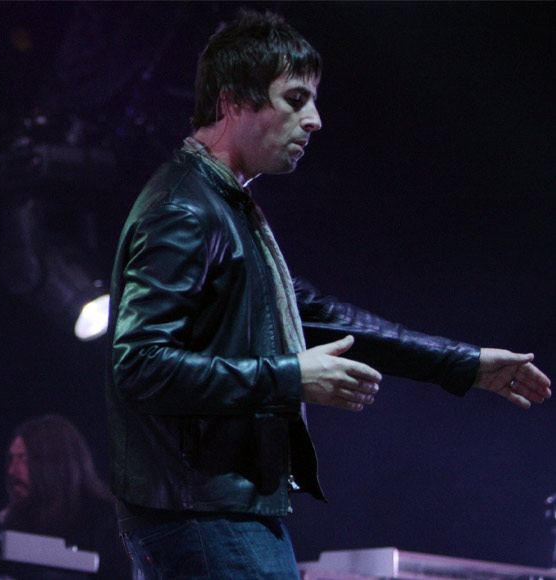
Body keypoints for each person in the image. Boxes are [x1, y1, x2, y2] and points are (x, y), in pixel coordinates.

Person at [105, 10, 551, 580]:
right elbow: (139, 365)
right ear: (232, 102)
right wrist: (290, 376)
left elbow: (318, 315)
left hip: (220, 510)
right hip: (201, 514)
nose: (314, 121)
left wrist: (462, 364)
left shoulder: (223, 206)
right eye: (294, 100)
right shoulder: (184, 208)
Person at [0, 415, 131, 580]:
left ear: (55, 463)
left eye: (23, 458)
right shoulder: (18, 520)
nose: (12, 471)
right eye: (12, 459)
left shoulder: (106, 521)